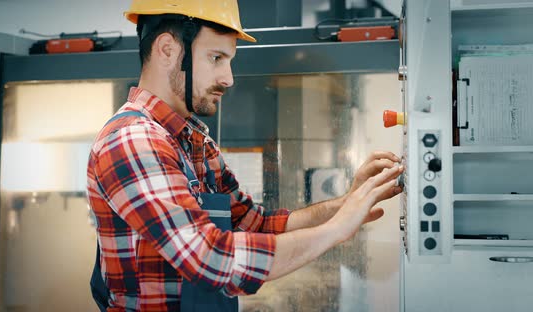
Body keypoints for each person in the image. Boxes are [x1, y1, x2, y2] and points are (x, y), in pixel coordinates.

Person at [86, 0, 404, 311]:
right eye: (216, 58)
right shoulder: (132, 139)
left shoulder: (194, 141)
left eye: (229, 60)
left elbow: (257, 225)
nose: (229, 78)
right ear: (168, 50)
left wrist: (346, 202)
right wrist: (335, 231)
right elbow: (211, 259)